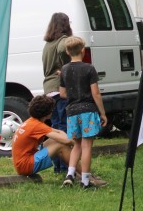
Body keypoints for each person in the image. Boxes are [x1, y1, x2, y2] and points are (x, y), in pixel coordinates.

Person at [60, 37, 108, 189]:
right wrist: (103, 113)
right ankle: (85, 181)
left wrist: (74, 95)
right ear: (83, 50)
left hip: (72, 111)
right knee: (87, 146)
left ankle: (70, 174)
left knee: (77, 145)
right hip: (88, 110)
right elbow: (96, 93)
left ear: (67, 52)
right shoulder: (89, 68)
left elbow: (62, 93)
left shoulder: (64, 70)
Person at [11, 95, 75, 184]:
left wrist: (66, 139)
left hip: (22, 163)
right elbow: (67, 140)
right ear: (47, 113)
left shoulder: (32, 121)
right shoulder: (37, 126)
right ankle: (85, 175)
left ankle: (75, 173)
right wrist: (78, 145)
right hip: (25, 166)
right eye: (51, 109)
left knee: (57, 141)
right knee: (60, 145)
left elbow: (59, 132)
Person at [42, 13, 72, 173]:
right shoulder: (62, 41)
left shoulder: (48, 44)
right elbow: (63, 48)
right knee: (63, 128)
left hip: (48, 89)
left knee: (54, 129)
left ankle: (57, 166)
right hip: (59, 88)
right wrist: (67, 66)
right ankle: (66, 165)